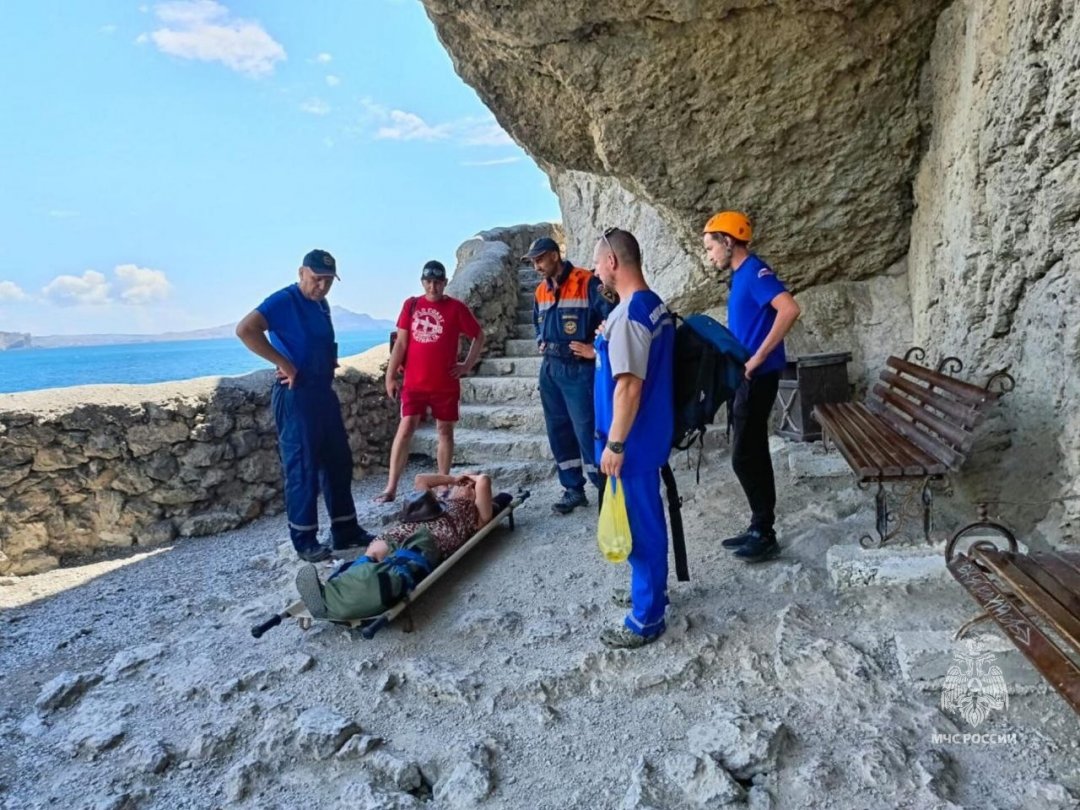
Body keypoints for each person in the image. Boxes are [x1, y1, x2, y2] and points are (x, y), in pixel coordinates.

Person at [235, 249, 375, 563]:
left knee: (338, 461)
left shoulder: (321, 305)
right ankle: (305, 539)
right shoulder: (283, 300)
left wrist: (329, 359)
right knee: (302, 468)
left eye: (328, 281)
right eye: (316, 279)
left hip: (322, 392)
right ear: (301, 273)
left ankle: (344, 530)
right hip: (296, 395)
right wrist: (284, 364)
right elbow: (245, 330)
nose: (322, 286)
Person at [591, 228, 675, 649]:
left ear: (612, 263)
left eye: (596, 263)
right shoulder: (650, 305)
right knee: (646, 519)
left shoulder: (629, 317)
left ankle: (647, 617)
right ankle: (653, 592)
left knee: (641, 528)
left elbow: (628, 387)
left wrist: (615, 444)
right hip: (650, 433)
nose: (594, 271)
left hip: (633, 443)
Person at [703, 211, 801, 563]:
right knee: (751, 451)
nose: (710, 255)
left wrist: (758, 358)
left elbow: (789, 309)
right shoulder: (740, 276)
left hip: (758, 377)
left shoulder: (755, 272)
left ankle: (764, 531)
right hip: (745, 377)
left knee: (745, 455)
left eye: (711, 246)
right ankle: (759, 525)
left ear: (728, 241)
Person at [295, 473, 513, 619]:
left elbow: (483, 479)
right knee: (375, 551)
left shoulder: (476, 515)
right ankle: (336, 592)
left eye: (469, 487)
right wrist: (453, 479)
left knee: (400, 563)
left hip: (435, 536)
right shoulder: (433, 502)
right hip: (408, 526)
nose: (464, 486)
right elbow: (421, 479)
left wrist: (470, 481)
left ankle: (341, 598)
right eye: (463, 484)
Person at [377, 260, 484, 503]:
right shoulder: (412, 305)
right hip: (414, 383)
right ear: (422, 282)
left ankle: (443, 483)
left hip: (445, 384)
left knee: (444, 431)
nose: (433, 287)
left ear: (445, 283)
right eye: (428, 282)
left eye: (437, 282)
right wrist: (390, 375)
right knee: (405, 429)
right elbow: (401, 344)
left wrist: (466, 365)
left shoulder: (456, 308)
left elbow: (479, 336)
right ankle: (390, 487)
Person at [524, 236, 613, 514]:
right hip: (550, 369)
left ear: (554, 255)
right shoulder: (540, 291)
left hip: (578, 370)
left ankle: (605, 491)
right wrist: (541, 339)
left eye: (539, 259)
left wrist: (595, 350)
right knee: (558, 430)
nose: (536, 266)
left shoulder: (587, 282)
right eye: (533, 261)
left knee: (587, 430)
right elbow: (536, 322)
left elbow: (615, 317)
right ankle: (573, 489)